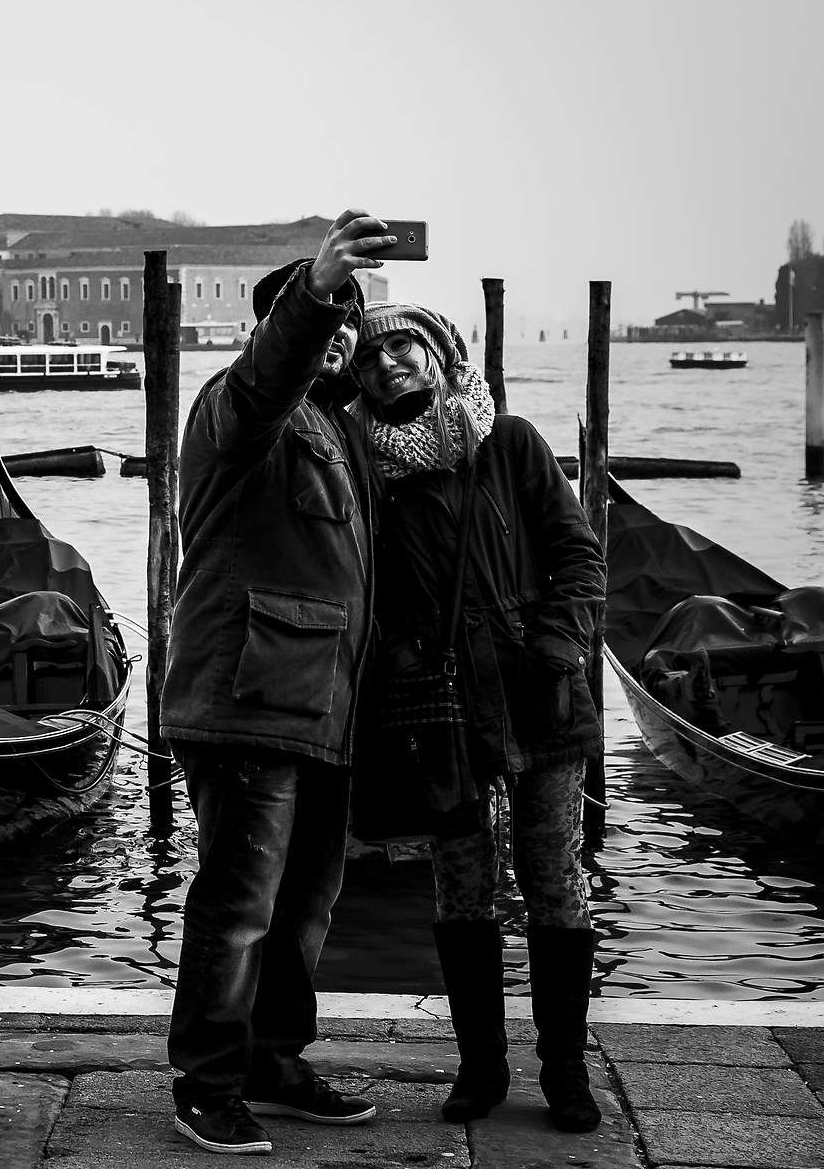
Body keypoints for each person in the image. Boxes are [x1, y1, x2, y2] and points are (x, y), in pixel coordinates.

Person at [162, 211, 398, 1155]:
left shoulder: (342, 433)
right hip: (247, 698)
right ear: (282, 325)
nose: (346, 336)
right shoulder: (238, 407)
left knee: (305, 902)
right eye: (329, 321)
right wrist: (317, 293)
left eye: (354, 321)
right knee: (239, 902)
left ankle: (276, 1059)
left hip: (323, 706)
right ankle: (207, 1082)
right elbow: (274, 371)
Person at [351, 302, 605, 1132]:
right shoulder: (359, 464)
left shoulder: (510, 442)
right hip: (438, 708)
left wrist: (560, 650)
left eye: (404, 347)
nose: (389, 363)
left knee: (554, 879)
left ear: (440, 352)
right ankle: (481, 1068)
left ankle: (565, 1071)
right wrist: (394, 655)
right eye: (372, 355)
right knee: (461, 886)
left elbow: (578, 555)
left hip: (539, 697)